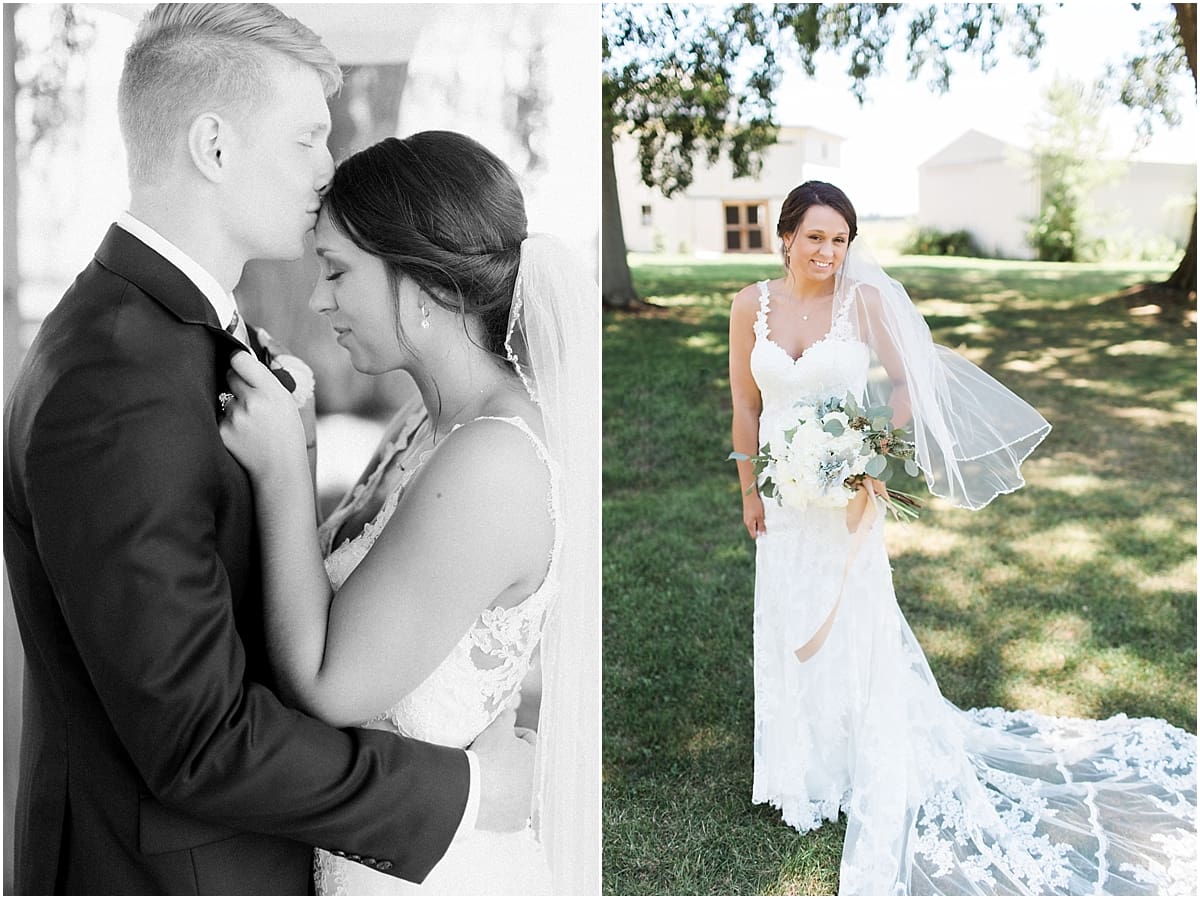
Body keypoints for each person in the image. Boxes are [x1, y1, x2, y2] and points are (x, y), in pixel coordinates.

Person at [3, 6, 535, 895]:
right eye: (307, 139)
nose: (329, 174)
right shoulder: (114, 371)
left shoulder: (180, 330)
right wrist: (471, 790)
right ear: (214, 147)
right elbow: (198, 739)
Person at [728, 180, 1196, 895]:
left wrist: (871, 457)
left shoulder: (866, 302)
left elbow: (908, 380)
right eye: (815, 236)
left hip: (849, 496)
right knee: (787, 617)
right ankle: (798, 768)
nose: (828, 252)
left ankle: (858, 760)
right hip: (783, 499)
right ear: (785, 235)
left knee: (854, 625)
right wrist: (746, 491)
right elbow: (745, 402)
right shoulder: (747, 306)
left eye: (840, 239)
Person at [217, 129, 599, 896]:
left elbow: (329, 681)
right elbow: (333, 593)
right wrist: (307, 445)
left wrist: (285, 472)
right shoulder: (429, 424)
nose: (320, 298)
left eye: (337, 271)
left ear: (423, 284)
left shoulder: (494, 462)